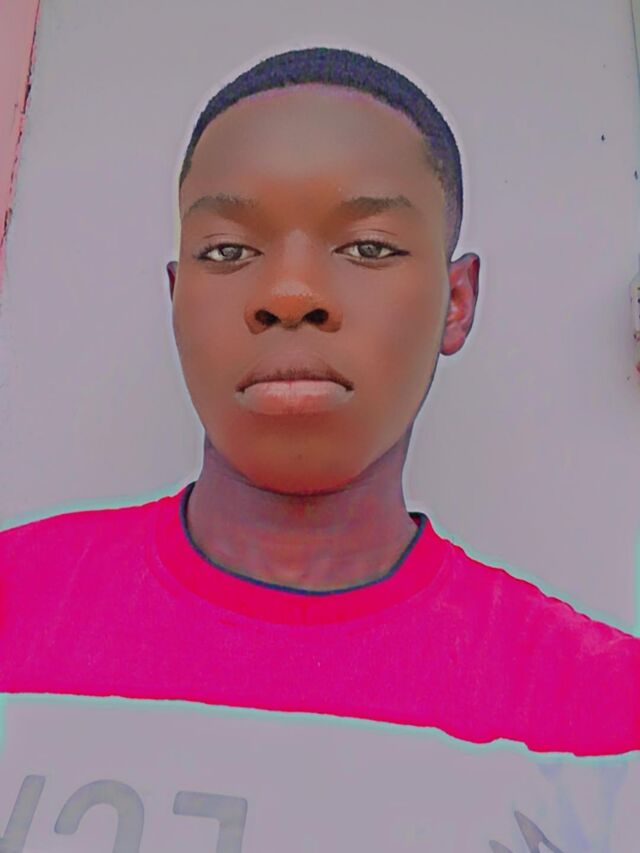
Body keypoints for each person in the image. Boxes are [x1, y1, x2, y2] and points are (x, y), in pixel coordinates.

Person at [1, 46, 638, 756]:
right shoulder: (13, 608)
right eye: (227, 251)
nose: (290, 294)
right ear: (177, 298)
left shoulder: (608, 712)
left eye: (368, 247)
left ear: (456, 303)